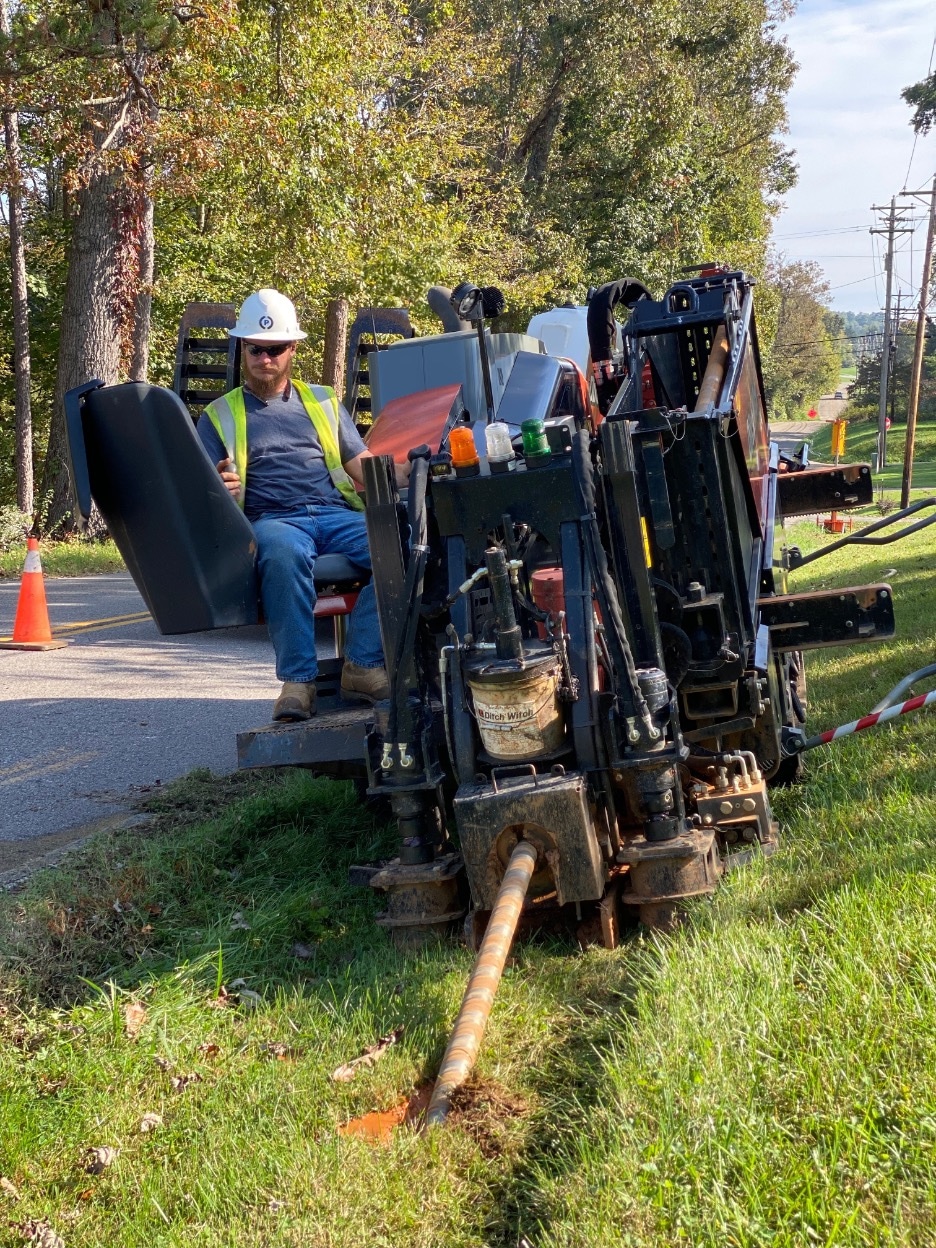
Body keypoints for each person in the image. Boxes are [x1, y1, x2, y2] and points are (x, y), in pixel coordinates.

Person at [196, 288, 409, 722]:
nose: (265, 357)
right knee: (282, 554)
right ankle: (297, 683)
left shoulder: (323, 401)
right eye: (256, 348)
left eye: (275, 349)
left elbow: (363, 467)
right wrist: (218, 485)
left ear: (292, 349)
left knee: (405, 546)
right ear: (243, 348)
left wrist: (420, 468)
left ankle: (363, 664)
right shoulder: (217, 415)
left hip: (333, 514)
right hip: (273, 520)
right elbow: (200, 491)